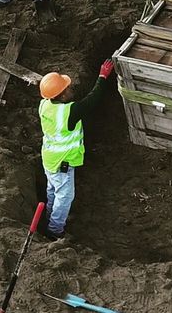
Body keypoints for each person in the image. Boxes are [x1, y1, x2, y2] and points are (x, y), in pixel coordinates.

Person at [39, 59, 115, 240]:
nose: (71, 89)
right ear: (62, 95)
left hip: (49, 159)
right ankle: (55, 230)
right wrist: (102, 77)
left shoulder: (45, 105)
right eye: (68, 88)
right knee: (64, 197)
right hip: (62, 163)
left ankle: (49, 216)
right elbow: (91, 100)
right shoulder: (69, 112)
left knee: (52, 190)